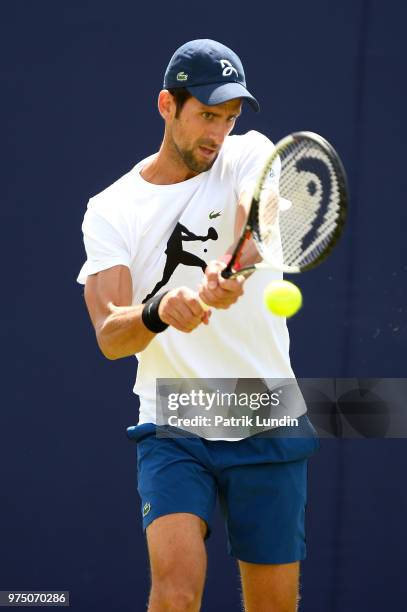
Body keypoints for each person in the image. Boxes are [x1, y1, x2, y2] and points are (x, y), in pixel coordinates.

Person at [77, 39, 320, 612]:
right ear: (167, 105)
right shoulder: (111, 209)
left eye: (229, 117)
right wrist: (159, 311)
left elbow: (256, 216)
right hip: (174, 421)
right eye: (207, 115)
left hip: (264, 413)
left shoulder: (247, 153)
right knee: (176, 594)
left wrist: (234, 261)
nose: (219, 131)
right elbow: (112, 334)